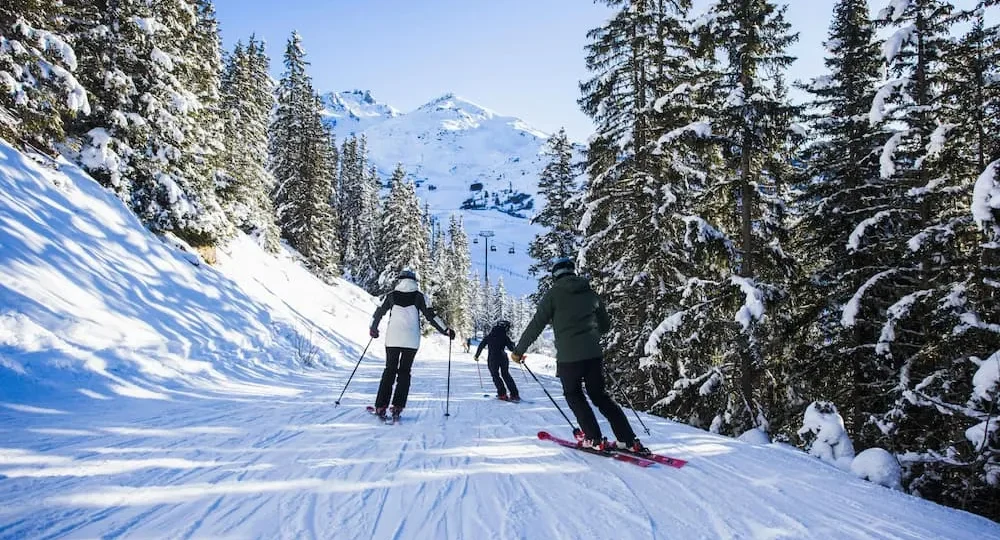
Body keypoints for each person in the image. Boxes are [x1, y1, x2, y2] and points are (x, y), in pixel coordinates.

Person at [510, 257, 649, 454]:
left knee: (574, 395)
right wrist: (588, 336)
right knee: (600, 396)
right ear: (573, 271)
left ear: (555, 275)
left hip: (569, 359)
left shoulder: (553, 295)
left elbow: (536, 325)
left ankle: (594, 439)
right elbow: (605, 326)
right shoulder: (590, 293)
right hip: (593, 356)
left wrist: (518, 351)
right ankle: (627, 440)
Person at [370, 269, 455, 421]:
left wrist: (373, 328)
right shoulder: (419, 297)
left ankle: (381, 406)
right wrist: (446, 330)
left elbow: (378, 313)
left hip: (393, 339)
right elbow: (431, 316)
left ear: (400, 280)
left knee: (389, 371)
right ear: (414, 281)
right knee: (404, 372)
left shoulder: (391, 295)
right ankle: (397, 407)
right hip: (411, 340)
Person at [475, 320, 520, 402]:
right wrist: (516, 350)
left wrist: (477, 356)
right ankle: (514, 394)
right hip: (503, 357)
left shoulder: (490, 336)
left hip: (493, 358)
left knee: (495, 376)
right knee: (506, 375)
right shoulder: (505, 336)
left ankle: (502, 394)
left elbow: (481, 345)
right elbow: (511, 348)